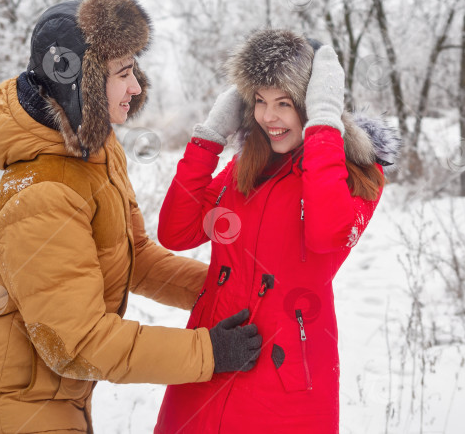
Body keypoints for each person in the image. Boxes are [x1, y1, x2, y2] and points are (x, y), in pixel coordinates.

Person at [0, 0, 262, 434]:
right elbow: (77, 343)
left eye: (134, 69)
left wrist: (220, 287)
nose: (136, 86)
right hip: (15, 406)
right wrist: (208, 352)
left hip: (53, 392)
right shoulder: (43, 195)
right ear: (80, 82)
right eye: (122, 73)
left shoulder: (92, 150)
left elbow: (131, 253)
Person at [154, 29, 401, 433]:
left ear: (312, 101)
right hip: (212, 357)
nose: (268, 117)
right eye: (260, 102)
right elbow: (176, 231)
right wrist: (211, 137)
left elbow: (325, 235)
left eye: (284, 103)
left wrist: (323, 124)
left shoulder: (359, 175)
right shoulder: (244, 169)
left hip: (284, 382)